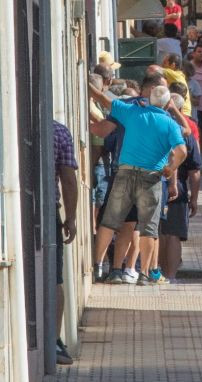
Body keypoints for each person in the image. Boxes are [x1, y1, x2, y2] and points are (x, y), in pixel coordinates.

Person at [87, 82, 187, 284]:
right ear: (167, 104)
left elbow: (102, 99)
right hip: (152, 177)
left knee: (110, 221)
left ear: (149, 99)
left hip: (124, 173)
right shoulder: (169, 124)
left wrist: (87, 84)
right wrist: (170, 168)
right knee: (148, 228)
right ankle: (144, 274)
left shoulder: (132, 112)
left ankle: (97, 266)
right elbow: (182, 151)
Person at [158, 94, 202, 282]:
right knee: (174, 234)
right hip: (179, 191)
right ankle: (171, 276)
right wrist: (194, 199)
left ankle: (158, 273)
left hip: (156, 185)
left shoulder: (157, 127)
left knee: (158, 233)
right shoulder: (186, 134)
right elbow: (195, 171)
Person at [53, 119, 79, 366]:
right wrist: (70, 218)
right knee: (54, 278)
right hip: (47, 211)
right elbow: (69, 179)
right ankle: (53, 340)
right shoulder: (58, 131)